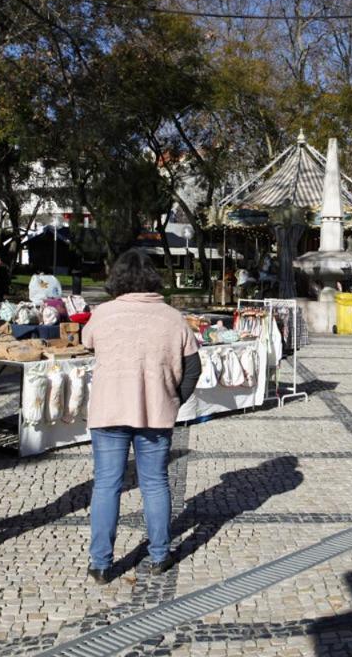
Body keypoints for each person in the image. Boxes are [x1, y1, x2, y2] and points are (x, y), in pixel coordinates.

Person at [82, 250, 201, 584]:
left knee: (107, 484)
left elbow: (87, 342)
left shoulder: (103, 314)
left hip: (109, 409)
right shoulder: (172, 318)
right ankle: (160, 554)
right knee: (155, 483)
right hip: (155, 412)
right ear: (152, 276)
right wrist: (174, 399)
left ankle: (101, 563)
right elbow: (194, 367)